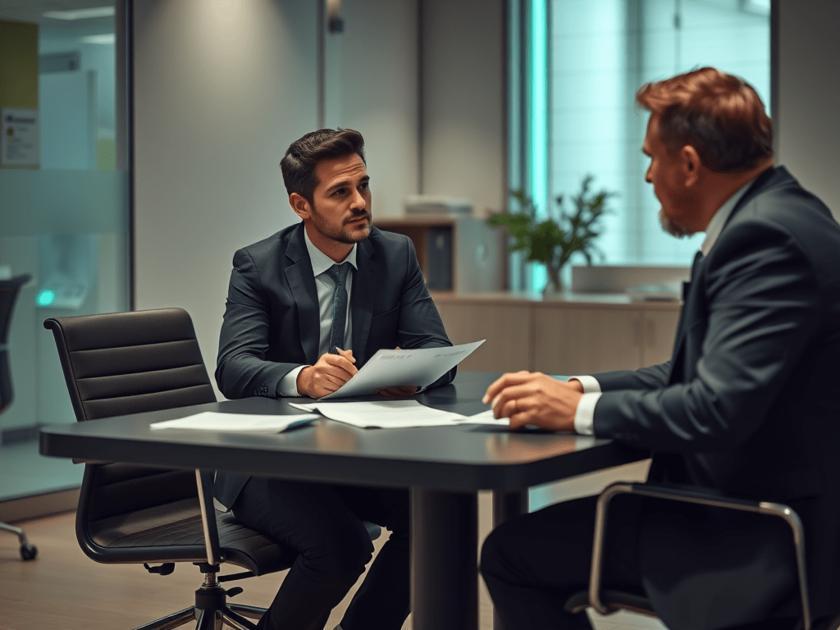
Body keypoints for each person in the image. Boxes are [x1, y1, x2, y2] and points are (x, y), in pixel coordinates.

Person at [479, 67, 840, 630]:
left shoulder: (764, 240)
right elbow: (690, 375)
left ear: (690, 165)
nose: (648, 176)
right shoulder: (790, 213)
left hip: (750, 532)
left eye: (652, 159)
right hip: (773, 510)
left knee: (510, 554)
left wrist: (577, 413)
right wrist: (578, 389)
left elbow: (714, 409)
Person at [214, 128, 455, 630]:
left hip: (353, 454)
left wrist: (410, 374)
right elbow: (233, 367)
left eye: (363, 186)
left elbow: (438, 349)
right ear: (301, 205)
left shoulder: (394, 255)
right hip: (267, 462)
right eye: (340, 192)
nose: (360, 202)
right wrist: (303, 378)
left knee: (439, 519)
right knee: (340, 545)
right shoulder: (258, 265)